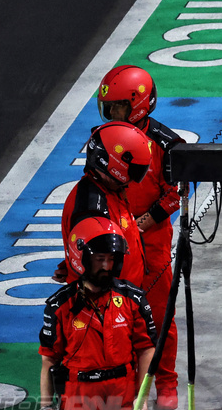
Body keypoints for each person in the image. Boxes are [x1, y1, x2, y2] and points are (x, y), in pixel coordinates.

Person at [39, 217, 157, 410]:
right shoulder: (59, 306)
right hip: (79, 403)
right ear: (81, 259)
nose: (106, 266)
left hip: (124, 395)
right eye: (100, 259)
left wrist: (142, 397)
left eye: (111, 259)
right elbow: (48, 361)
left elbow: (146, 349)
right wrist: (45, 409)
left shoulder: (133, 298)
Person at [97, 64, 186, 410]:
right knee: (114, 311)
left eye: (117, 107)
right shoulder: (104, 138)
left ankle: (166, 380)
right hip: (113, 235)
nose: (111, 114)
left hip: (151, 241)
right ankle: (124, 380)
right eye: (108, 108)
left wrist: (142, 223)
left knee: (160, 312)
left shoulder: (165, 143)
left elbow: (176, 191)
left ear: (137, 104)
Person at [58, 121, 153, 287]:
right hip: (109, 305)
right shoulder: (93, 209)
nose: (133, 179)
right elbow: (95, 270)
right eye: (133, 170)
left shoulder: (110, 191)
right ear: (116, 165)